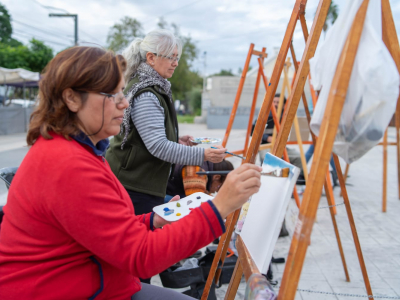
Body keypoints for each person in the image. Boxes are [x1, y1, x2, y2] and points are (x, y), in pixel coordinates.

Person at [0, 46, 262, 300]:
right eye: (112, 95)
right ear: (71, 98)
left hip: (92, 284)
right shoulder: (68, 164)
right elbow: (140, 257)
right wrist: (220, 206)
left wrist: (152, 221)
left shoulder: (78, 151)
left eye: (122, 93)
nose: (125, 103)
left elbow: (107, 228)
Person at [105, 29, 226, 217]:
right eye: (171, 57)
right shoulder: (146, 93)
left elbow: (147, 139)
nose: (176, 63)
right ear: (151, 58)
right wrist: (204, 155)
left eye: (177, 57)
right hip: (134, 186)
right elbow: (158, 146)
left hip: (139, 182)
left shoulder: (153, 86)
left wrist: (176, 140)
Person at [166, 159, 234, 200]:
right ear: (217, 177)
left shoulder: (205, 164)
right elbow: (195, 203)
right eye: (218, 187)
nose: (214, 192)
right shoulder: (196, 172)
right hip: (159, 196)